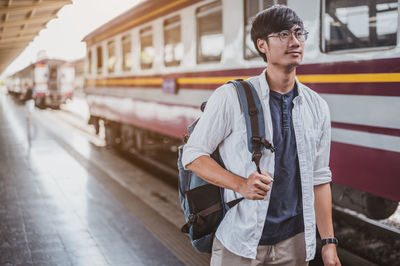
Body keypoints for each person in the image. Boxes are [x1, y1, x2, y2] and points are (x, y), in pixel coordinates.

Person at [182, 5, 341, 266]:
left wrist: (329, 243)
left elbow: (319, 179)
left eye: (299, 33)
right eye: (282, 34)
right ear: (262, 45)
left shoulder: (317, 106)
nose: (294, 41)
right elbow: (193, 155)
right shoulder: (231, 96)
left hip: (295, 243)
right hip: (239, 239)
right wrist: (239, 184)